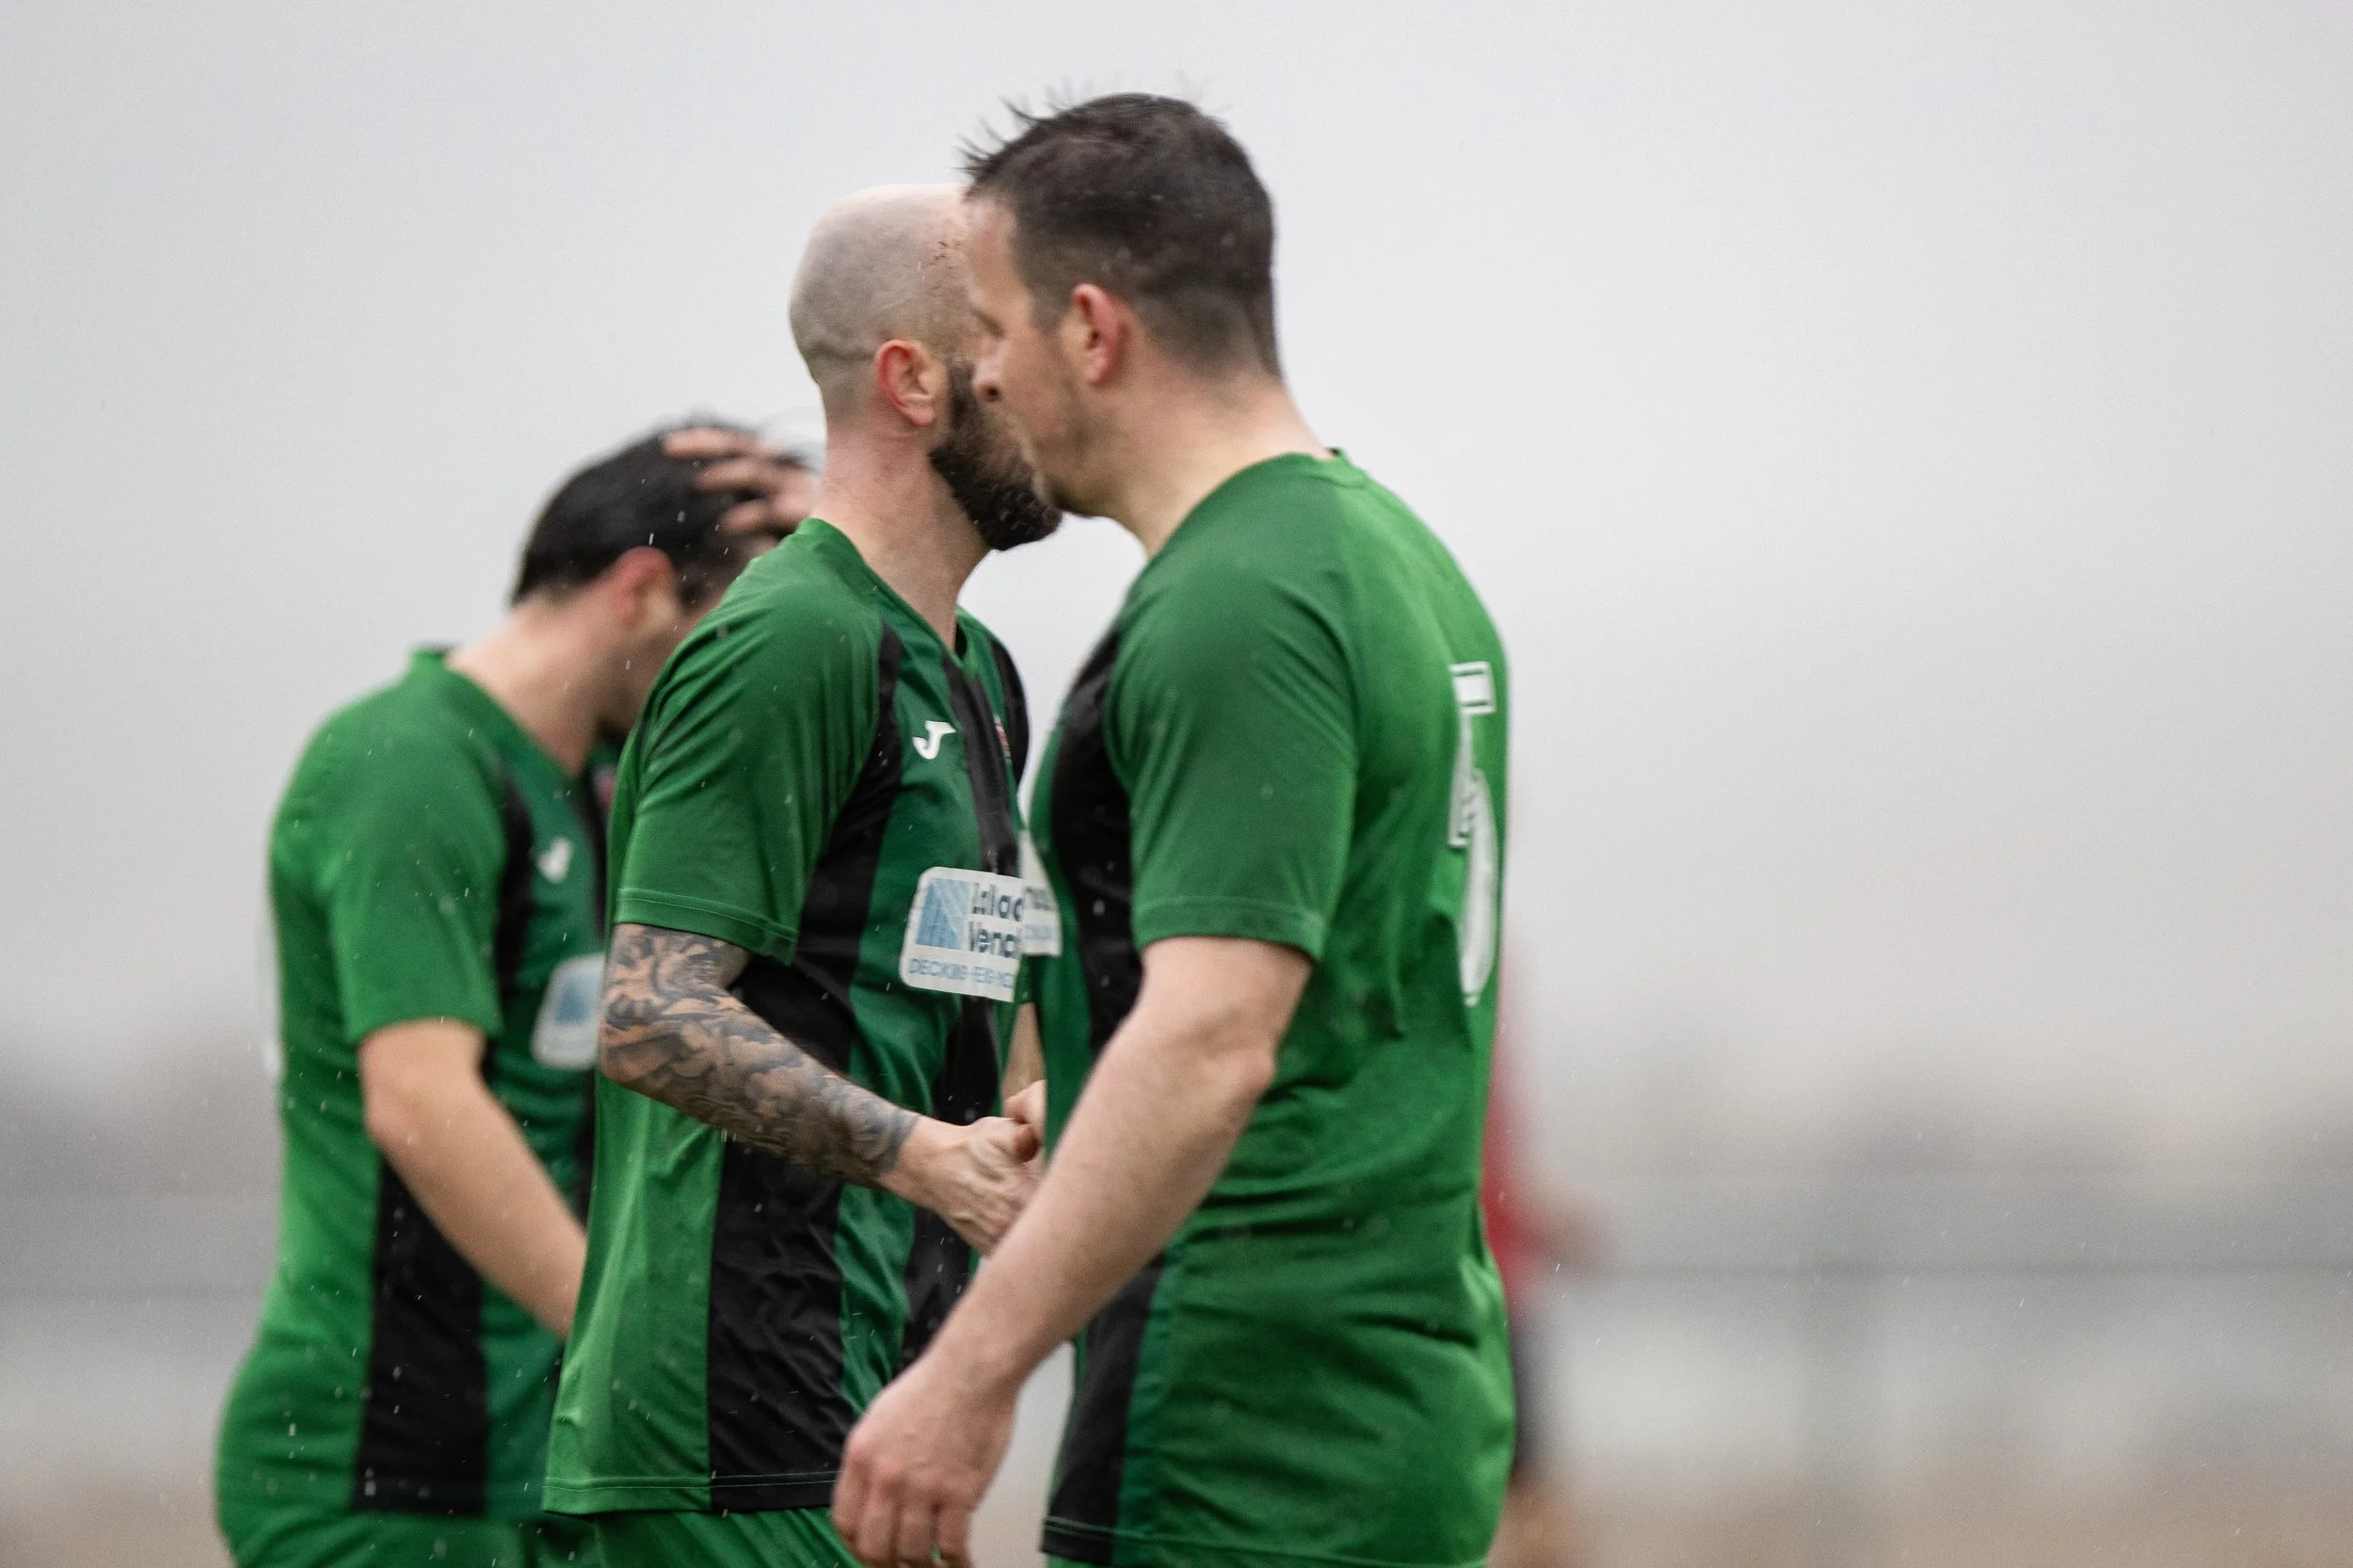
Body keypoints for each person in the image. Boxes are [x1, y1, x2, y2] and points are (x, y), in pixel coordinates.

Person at [833, 95, 1515, 1568]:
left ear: (1093, 329)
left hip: (1246, 1432)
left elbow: (1213, 1039)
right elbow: (1329, 996)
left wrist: (965, 1376)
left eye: (996, 326)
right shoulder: (1385, 551)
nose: (985, 375)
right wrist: (1084, 1096)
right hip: (1384, 1401)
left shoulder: (1239, 602)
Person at [540, 184, 1063, 1568]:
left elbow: (970, 992)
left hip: (870, 1407)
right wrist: (924, 1157)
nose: (1047, 375)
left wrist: (1040, 1108)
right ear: (911, 380)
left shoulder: (980, 667)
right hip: (731, 1425)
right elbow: (649, 1011)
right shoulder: (790, 643)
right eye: (1007, 337)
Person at [216, 423, 812, 1568]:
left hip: (546, 1454)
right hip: (383, 1465)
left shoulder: (610, 782)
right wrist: (635, 1353)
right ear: (639, 593)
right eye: (727, 633)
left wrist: (859, 536)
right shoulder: (409, 761)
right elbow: (422, 1103)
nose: (738, 679)